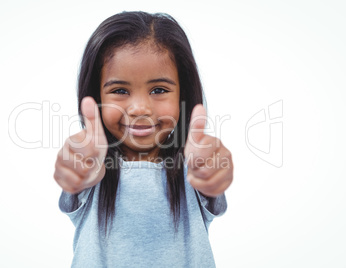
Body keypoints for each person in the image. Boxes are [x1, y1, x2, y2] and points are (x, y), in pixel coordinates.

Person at [53, 11, 233, 267]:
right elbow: (71, 182)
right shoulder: (92, 169)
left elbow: (213, 188)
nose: (139, 108)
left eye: (159, 90)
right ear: (96, 96)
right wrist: (75, 170)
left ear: (184, 95)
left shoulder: (191, 169)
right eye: (120, 91)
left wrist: (213, 171)